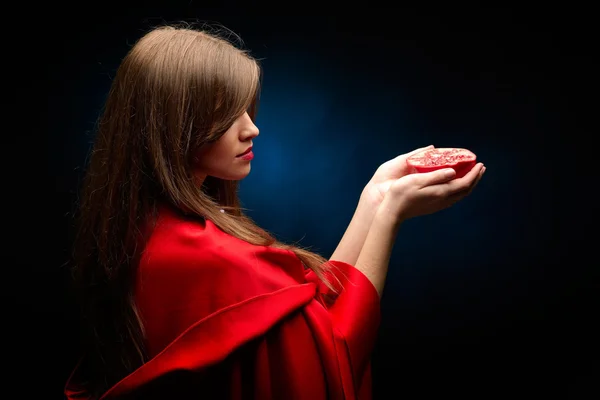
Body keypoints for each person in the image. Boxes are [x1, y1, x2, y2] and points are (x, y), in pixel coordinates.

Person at [64, 24, 486, 399]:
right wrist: (390, 214)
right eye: (227, 115)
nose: (251, 128)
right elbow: (332, 359)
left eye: (247, 109)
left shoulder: (142, 232)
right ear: (173, 126)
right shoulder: (215, 261)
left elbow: (308, 322)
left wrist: (374, 198)